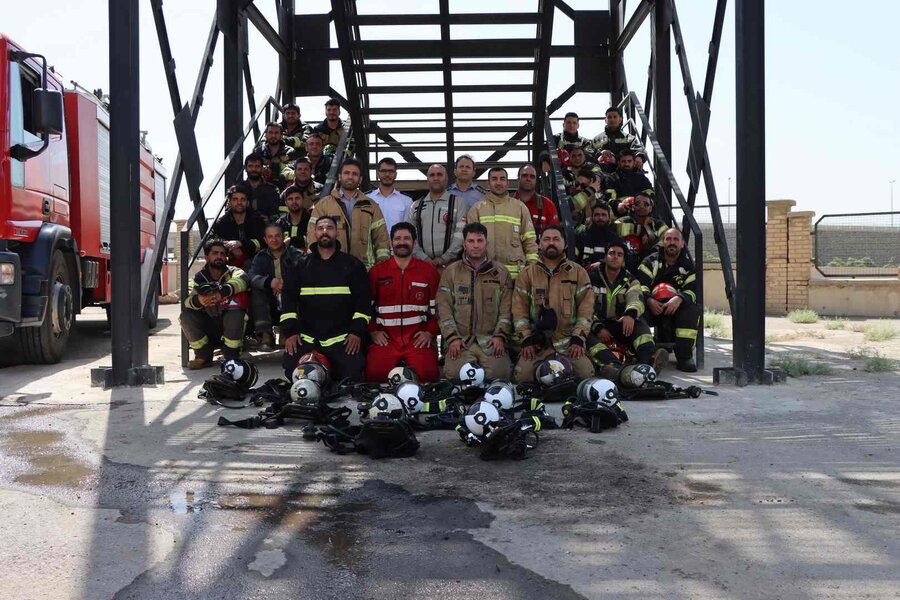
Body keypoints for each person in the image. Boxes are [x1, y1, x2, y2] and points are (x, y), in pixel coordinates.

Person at [279, 216, 372, 381]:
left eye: (329, 228)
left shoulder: (352, 265)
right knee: (291, 370)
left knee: (353, 373)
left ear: (336, 233)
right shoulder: (300, 265)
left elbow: (363, 303)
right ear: (314, 233)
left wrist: (356, 332)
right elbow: (288, 300)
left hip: (342, 339)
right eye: (320, 228)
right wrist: (291, 332)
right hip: (307, 338)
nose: (325, 231)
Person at [513, 225, 595, 383]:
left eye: (556, 239)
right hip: (537, 344)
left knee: (586, 375)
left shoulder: (578, 273)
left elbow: (586, 310)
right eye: (547, 239)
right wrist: (526, 339)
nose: (551, 243)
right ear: (539, 244)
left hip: (568, 343)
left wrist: (578, 338)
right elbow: (519, 311)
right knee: (522, 378)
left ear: (564, 244)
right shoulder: (527, 274)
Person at [365, 223, 441, 383]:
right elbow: (366, 308)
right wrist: (373, 332)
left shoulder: (428, 272)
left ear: (414, 242)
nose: (402, 242)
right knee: (374, 376)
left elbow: (439, 309)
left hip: (416, 340)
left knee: (429, 375)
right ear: (391, 242)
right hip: (386, 340)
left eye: (406, 238)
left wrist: (430, 332)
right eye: (397, 238)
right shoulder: (377, 272)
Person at [436, 222, 513, 381]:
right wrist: (452, 338)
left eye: (480, 241)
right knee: (456, 376)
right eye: (471, 241)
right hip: (461, 342)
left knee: (501, 375)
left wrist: (500, 336)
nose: (476, 245)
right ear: (464, 244)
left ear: (487, 243)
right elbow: (443, 309)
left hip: (490, 341)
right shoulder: (451, 272)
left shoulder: (500, 272)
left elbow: (507, 310)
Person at [586, 238, 666, 371]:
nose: (615, 257)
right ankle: (613, 367)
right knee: (587, 337)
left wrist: (630, 314)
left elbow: (636, 298)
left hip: (620, 323)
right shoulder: (590, 278)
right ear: (605, 257)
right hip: (595, 325)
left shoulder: (630, 280)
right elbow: (584, 307)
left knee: (641, 326)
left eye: (619, 254)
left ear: (623, 260)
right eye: (612, 253)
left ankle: (648, 362)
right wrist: (598, 327)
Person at [636, 228, 702, 372]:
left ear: (682, 243)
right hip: (652, 307)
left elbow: (693, 290)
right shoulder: (650, 262)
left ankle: (684, 358)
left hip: (676, 308)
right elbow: (640, 285)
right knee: (635, 311)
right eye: (668, 239)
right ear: (663, 242)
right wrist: (649, 301)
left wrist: (679, 299)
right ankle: (645, 355)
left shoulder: (688, 266)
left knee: (692, 310)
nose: (672, 243)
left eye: (676, 239)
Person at [306, 158, 390, 269]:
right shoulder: (323, 205)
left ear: (360, 179)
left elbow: (382, 238)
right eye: (347, 173)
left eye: (355, 174)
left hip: (363, 270)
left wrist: (382, 266)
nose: (350, 177)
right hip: (332, 269)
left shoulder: (371, 206)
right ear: (340, 177)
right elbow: (312, 234)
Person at [180, 238, 250, 369]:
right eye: (215, 253)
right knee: (185, 316)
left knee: (236, 310)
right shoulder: (198, 278)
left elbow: (243, 281)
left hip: (231, 326)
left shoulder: (234, 271)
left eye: (222, 254)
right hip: (208, 325)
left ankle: (231, 357)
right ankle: (203, 357)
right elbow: (186, 299)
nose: (219, 256)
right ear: (207, 257)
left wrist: (221, 293)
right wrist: (199, 300)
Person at [466, 167, 538, 280]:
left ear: (508, 183)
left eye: (502, 179)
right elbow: (469, 244)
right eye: (494, 179)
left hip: (516, 277)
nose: (498, 182)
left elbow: (530, 240)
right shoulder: (477, 209)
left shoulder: (520, 207)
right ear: (488, 183)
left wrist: (531, 266)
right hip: (485, 275)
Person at [248, 224, 304, 351]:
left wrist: (286, 284)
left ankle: (287, 332)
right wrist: (269, 282)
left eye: (277, 236)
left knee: (293, 294)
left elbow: (305, 274)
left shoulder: (297, 254)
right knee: (256, 292)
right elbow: (251, 277)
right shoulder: (260, 257)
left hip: (291, 299)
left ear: (283, 237)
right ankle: (265, 335)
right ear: (265, 240)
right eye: (270, 237)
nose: (274, 240)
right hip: (270, 300)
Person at [408, 163, 466, 267]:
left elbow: (460, 235)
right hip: (422, 266)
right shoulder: (416, 205)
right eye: (432, 175)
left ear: (446, 178)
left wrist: (445, 258)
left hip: (451, 265)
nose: (435, 178)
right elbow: (411, 235)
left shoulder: (458, 203)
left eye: (439, 174)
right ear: (427, 179)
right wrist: (423, 258)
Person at [209, 185, 267, 268]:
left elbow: (263, 242)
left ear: (247, 202)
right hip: (229, 261)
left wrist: (241, 244)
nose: (239, 202)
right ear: (229, 202)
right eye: (235, 199)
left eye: (242, 199)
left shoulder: (257, 220)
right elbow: (211, 242)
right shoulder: (222, 222)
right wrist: (228, 246)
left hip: (255, 260)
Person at [614, 194, 667, 273]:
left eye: (646, 204)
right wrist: (640, 232)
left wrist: (654, 250)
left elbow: (666, 237)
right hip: (625, 266)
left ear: (650, 208)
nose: (641, 207)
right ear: (633, 207)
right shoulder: (624, 221)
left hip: (650, 265)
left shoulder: (658, 224)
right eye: (637, 204)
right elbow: (613, 228)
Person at [368, 157, 413, 235]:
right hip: (373, 246)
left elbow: (409, 229)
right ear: (377, 174)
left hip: (397, 246)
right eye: (384, 171)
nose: (387, 174)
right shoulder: (367, 198)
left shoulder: (407, 201)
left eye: (391, 171)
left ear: (395, 174)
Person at [513, 164, 559, 236]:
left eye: (532, 177)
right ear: (518, 179)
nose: (528, 179)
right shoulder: (507, 203)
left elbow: (554, 234)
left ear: (536, 180)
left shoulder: (548, 205)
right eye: (525, 175)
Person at [606, 149, 654, 216]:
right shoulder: (611, 178)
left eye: (629, 161)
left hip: (640, 211)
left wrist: (642, 204)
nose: (626, 164)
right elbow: (609, 197)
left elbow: (650, 193)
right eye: (623, 161)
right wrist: (618, 205)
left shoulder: (642, 178)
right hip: (619, 212)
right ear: (618, 163)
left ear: (634, 162)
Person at [254, 122, 298, 188]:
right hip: (264, 185)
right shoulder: (259, 151)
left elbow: (294, 169)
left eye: (276, 133)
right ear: (266, 135)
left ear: (281, 135)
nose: (273, 136)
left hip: (285, 185)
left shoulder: (290, 151)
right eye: (270, 133)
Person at [241, 153, 283, 220]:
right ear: (245, 168)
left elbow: (275, 214)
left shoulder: (272, 190)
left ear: (262, 168)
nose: (254, 169)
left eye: (257, 166)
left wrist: (268, 220)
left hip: (266, 227)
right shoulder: (239, 188)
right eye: (250, 166)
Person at [576, 202, 618, 269]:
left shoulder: (615, 239)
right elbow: (572, 259)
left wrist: (601, 264)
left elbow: (619, 260)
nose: (600, 218)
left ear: (609, 218)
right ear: (592, 217)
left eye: (604, 215)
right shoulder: (581, 237)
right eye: (597, 215)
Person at [276, 184, 314, 250]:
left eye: (297, 198)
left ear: (303, 200)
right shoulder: (280, 223)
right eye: (290, 199)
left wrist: (291, 240)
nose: (294, 202)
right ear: (286, 202)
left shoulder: (312, 221)